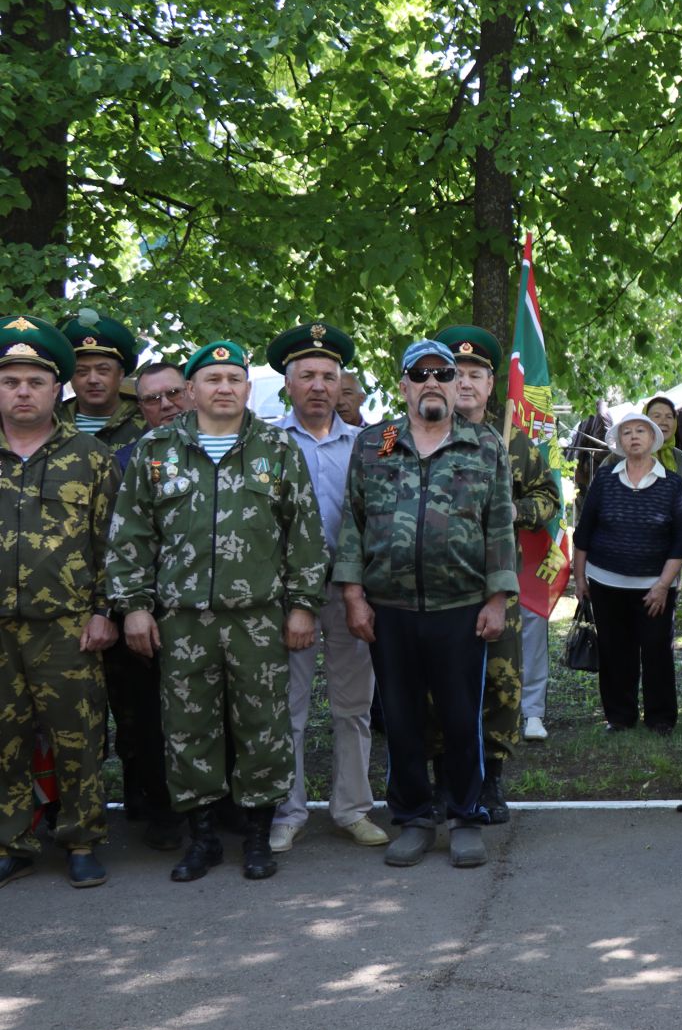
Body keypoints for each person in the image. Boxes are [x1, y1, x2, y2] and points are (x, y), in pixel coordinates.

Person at [106, 340, 328, 883]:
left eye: (234, 378)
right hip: (180, 621)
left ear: (248, 390)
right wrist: (133, 609)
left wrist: (303, 608)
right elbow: (130, 535)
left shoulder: (277, 450)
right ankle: (202, 837)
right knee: (188, 728)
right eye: (212, 379)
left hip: (258, 618)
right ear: (191, 390)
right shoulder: (156, 450)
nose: (224, 387)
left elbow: (304, 536)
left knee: (262, 726)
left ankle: (256, 836)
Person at [334, 341, 515, 868]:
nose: (433, 382)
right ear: (404, 385)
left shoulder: (482, 444)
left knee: (462, 718)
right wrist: (353, 595)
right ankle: (412, 818)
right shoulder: (379, 441)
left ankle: (465, 816)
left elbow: (499, 526)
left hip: (460, 605)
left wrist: (497, 598)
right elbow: (354, 520)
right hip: (389, 607)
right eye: (421, 374)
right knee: (402, 719)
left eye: (444, 373)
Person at [0, 316, 118, 889]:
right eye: (11, 381)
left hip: (67, 627)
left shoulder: (89, 457)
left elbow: (111, 544)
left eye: (35, 381)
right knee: (3, 740)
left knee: (78, 736)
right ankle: (12, 840)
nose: (23, 391)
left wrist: (104, 612)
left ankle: (81, 838)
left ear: (57, 390)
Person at [267, 322, 388, 854]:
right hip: (286, 596)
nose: (318, 386)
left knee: (353, 707)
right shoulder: (265, 443)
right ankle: (287, 811)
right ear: (288, 386)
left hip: (348, 594)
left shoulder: (371, 446)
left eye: (329, 377)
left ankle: (352, 809)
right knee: (286, 708)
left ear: (343, 387)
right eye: (307, 376)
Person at [436, 325, 563, 818]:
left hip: (497, 587)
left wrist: (515, 511)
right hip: (434, 590)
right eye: (454, 372)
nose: (464, 382)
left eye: (475, 374)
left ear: (492, 385)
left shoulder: (515, 444)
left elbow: (548, 495)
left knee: (501, 682)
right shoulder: (405, 435)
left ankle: (491, 779)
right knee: (437, 686)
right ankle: (442, 780)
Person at [104, 359, 191, 851]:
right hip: (152, 610)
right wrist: (130, 606)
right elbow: (118, 540)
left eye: (173, 394)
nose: (165, 406)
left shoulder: (224, 448)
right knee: (153, 716)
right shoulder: (126, 460)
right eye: (152, 399)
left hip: (209, 609)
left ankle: (218, 807)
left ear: (192, 394)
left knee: (213, 715)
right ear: (141, 408)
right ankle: (163, 811)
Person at [572, 406, 682, 733]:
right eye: (627, 432)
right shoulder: (604, 480)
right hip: (605, 582)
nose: (634, 437)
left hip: (654, 585)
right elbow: (583, 532)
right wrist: (580, 578)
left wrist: (663, 585)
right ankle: (620, 717)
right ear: (620, 442)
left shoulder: (671, 485)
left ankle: (661, 718)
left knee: (656, 651)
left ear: (653, 438)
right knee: (614, 651)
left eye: (640, 431)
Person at [57, 313, 145, 452]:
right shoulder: (51, 422)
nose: (93, 380)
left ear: (120, 374)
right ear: (71, 377)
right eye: (82, 372)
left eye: (103, 371)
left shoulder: (148, 419)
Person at [643, 394, 682, 487]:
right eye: (657, 416)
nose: (664, 422)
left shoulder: (679, 457)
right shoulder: (625, 455)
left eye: (669, 417)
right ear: (644, 421)